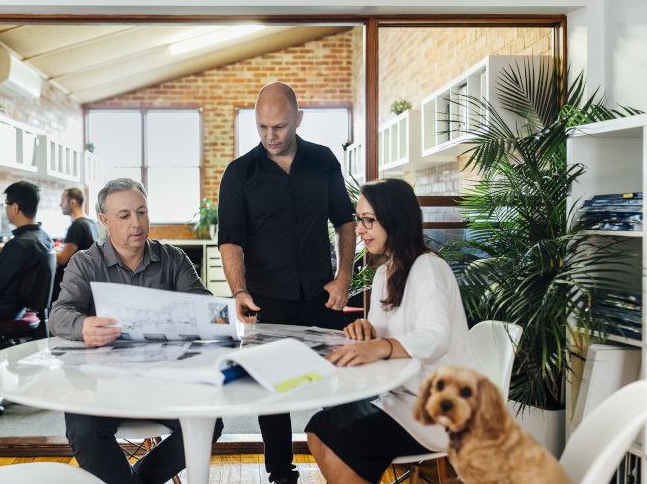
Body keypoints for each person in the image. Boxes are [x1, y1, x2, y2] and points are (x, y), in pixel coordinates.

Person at [217, 81, 356, 484]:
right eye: (262, 127)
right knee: (271, 391)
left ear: (298, 119)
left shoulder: (324, 160)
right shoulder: (239, 173)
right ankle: (280, 473)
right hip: (267, 300)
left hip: (322, 297)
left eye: (278, 126)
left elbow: (345, 221)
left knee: (341, 381)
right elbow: (230, 240)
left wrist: (344, 277)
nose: (270, 136)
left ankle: (346, 463)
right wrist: (239, 291)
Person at [305, 179, 482, 484]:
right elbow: (380, 333)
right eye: (358, 219)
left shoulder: (428, 267)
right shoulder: (384, 274)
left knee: (340, 441)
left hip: (444, 406)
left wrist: (379, 346)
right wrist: (366, 330)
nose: (359, 230)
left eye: (368, 220)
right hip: (400, 395)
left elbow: (436, 336)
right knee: (317, 430)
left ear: (395, 219)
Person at [49, 178, 224, 484]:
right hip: (103, 381)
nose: (137, 223)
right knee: (84, 431)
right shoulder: (85, 263)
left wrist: (220, 314)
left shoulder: (173, 259)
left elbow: (203, 306)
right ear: (104, 220)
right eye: (125, 215)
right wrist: (83, 325)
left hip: (163, 377)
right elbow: (59, 314)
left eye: (142, 212)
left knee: (210, 420)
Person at [0, 181, 53, 324]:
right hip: (16, 309)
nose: (5, 209)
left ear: (15, 207)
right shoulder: (44, 238)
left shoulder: (18, 244)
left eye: (6, 204)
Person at [53, 187, 99, 304]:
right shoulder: (91, 223)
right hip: (85, 281)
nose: (60, 204)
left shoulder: (77, 226)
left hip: (69, 285)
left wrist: (43, 251)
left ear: (72, 202)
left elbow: (63, 258)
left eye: (63, 201)